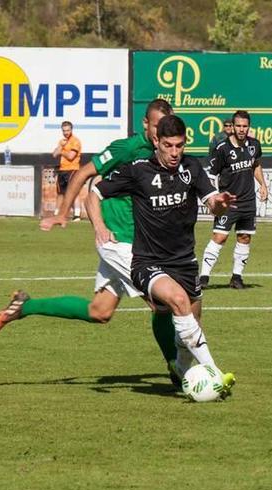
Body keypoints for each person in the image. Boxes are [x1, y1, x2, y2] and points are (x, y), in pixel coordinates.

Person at [0, 100, 182, 385]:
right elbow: (85, 173)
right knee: (163, 302)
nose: (162, 134)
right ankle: (178, 368)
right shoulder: (127, 149)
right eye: (157, 127)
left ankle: (25, 306)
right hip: (117, 241)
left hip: (139, 242)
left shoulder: (167, 153)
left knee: (100, 311)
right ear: (146, 125)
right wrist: (62, 214)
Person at [86, 114, 236, 394]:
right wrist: (99, 226)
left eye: (179, 145)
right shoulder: (137, 169)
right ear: (156, 141)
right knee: (178, 302)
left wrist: (221, 204)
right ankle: (215, 374)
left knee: (191, 323)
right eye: (168, 145)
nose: (175, 153)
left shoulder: (191, 167)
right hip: (148, 263)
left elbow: (212, 203)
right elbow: (94, 193)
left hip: (184, 262)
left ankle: (180, 367)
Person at [199, 110, 268, 290]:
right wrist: (214, 198)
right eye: (238, 126)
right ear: (233, 127)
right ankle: (203, 277)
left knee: (244, 237)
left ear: (248, 127)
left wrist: (263, 185)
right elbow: (211, 175)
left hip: (248, 201)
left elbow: (256, 165)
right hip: (228, 203)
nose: (241, 129)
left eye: (245, 126)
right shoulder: (222, 149)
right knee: (219, 237)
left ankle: (237, 277)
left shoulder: (254, 145)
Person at [51, 121, 82, 220]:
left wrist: (61, 151)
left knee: (74, 192)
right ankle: (56, 214)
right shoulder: (63, 141)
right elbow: (54, 154)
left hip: (72, 169)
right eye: (64, 130)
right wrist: (60, 147)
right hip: (62, 169)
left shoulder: (75, 141)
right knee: (60, 193)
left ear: (71, 130)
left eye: (68, 130)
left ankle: (77, 215)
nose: (66, 132)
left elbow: (71, 156)